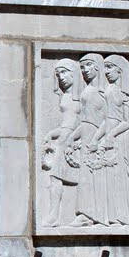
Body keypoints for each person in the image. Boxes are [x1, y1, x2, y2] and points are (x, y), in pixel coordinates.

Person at [68, 53, 109, 227]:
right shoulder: (87, 90)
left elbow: (109, 120)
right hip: (86, 133)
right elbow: (84, 119)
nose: (84, 70)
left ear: (97, 67)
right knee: (84, 176)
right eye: (82, 66)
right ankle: (85, 213)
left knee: (94, 176)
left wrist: (96, 139)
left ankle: (94, 215)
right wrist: (73, 136)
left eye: (88, 65)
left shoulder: (103, 92)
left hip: (94, 136)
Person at [41, 58, 82, 227]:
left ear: (73, 73)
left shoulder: (83, 96)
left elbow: (86, 122)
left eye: (64, 72)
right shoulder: (65, 96)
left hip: (78, 140)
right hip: (65, 138)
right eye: (58, 74)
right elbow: (66, 123)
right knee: (55, 177)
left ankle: (83, 214)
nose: (61, 78)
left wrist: (73, 139)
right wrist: (51, 134)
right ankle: (54, 215)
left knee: (80, 178)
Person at [100, 54, 129, 225]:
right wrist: (98, 137)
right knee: (108, 178)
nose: (106, 72)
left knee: (119, 176)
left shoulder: (124, 93)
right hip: (108, 136)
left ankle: (123, 216)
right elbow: (105, 118)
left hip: (119, 138)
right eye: (104, 68)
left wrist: (112, 134)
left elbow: (127, 122)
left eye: (109, 67)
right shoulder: (108, 89)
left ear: (119, 70)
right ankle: (111, 216)